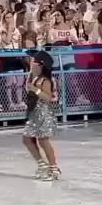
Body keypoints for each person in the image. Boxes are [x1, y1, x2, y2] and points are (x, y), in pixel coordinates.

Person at [22, 49, 60, 181]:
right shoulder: (34, 77)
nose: (31, 63)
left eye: (34, 61)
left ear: (41, 65)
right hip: (34, 114)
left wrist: (35, 90)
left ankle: (54, 169)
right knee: (27, 139)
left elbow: (48, 98)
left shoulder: (45, 80)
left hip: (43, 114)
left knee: (43, 141)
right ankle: (41, 164)